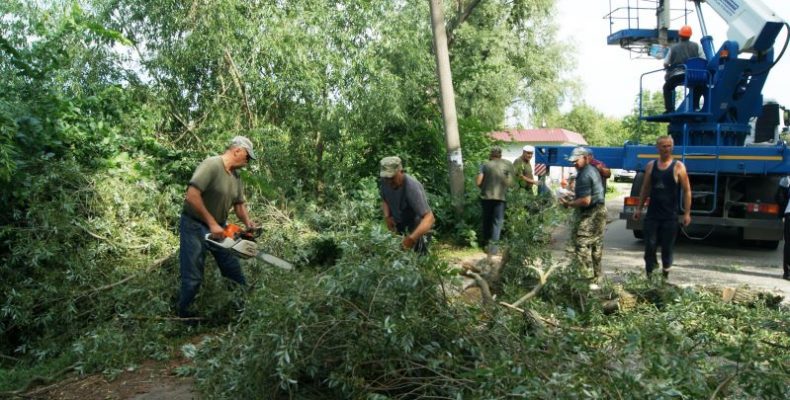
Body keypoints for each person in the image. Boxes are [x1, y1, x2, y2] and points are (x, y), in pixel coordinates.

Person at [177, 136, 258, 319]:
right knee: (193, 276)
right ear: (237, 150)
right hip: (194, 225)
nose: (247, 161)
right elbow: (192, 195)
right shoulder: (211, 165)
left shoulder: (236, 177)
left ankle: (242, 311)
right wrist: (211, 222)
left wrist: (248, 223)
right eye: (247, 156)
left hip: (220, 228)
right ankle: (185, 316)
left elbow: (239, 204)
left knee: (233, 269)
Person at [633, 135, 692, 279]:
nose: (666, 149)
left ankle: (665, 276)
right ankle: (650, 276)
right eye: (663, 146)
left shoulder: (678, 166)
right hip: (653, 215)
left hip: (670, 216)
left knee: (667, 248)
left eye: (669, 146)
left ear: (672, 147)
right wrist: (639, 208)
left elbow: (687, 190)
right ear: (657, 148)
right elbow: (645, 188)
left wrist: (687, 213)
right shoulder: (651, 166)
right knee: (649, 247)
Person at [559, 147, 606, 285]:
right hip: (599, 210)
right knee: (596, 245)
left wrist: (569, 204)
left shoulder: (585, 174)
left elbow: (586, 200)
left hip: (592, 213)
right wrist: (572, 196)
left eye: (576, 161)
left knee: (582, 243)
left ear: (585, 158)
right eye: (573, 162)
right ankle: (597, 278)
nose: (574, 164)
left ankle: (585, 279)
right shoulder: (590, 170)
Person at [379, 156, 435, 254]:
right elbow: (385, 200)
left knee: (418, 263)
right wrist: (387, 217)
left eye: (392, 177)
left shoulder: (411, 187)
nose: (389, 181)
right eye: (386, 178)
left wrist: (411, 239)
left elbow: (429, 218)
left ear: (401, 171)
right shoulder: (385, 181)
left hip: (417, 231)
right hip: (400, 229)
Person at [476, 147, 515, 255]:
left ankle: (485, 244)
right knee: (497, 223)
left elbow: (478, 182)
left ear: (490, 155)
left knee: (487, 221)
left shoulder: (485, 165)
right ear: (500, 155)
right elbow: (511, 184)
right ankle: (493, 249)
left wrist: (485, 187)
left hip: (486, 198)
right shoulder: (507, 165)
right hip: (501, 198)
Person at [663, 25, 705, 113]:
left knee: (667, 87)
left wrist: (668, 69)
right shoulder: (697, 46)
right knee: (699, 86)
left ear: (680, 35)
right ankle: (694, 107)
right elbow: (703, 60)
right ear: (690, 35)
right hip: (694, 75)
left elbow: (665, 63)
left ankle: (669, 109)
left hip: (678, 75)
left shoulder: (673, 48)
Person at [777, 176, 790, 280]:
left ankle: (788, 273)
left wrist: (782, 213)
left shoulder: (787, 179)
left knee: (789, 243)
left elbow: (779, 197)